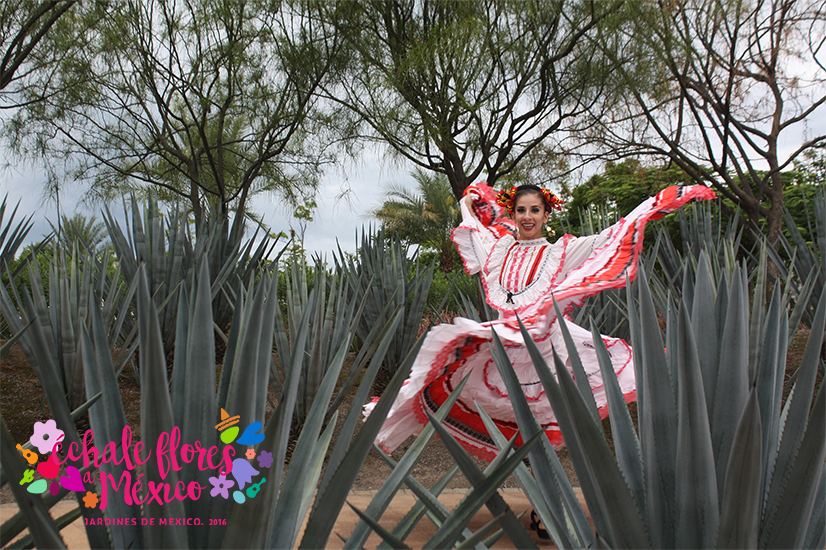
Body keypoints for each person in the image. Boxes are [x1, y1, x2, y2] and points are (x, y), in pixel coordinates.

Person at [369, 181, 717, 461]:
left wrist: (655, 205)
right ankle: (532, 499)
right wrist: (472, 197)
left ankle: (542, 508)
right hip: (506, 344)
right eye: (521, 210)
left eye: (535, 210)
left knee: (542, 429)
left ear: (546, 214)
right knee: (484, 402)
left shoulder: (560, 251)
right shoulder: (499, 249)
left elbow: (608, 237)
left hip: (548, 347)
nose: (527, 216)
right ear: (515, 213)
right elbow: (474, 225)